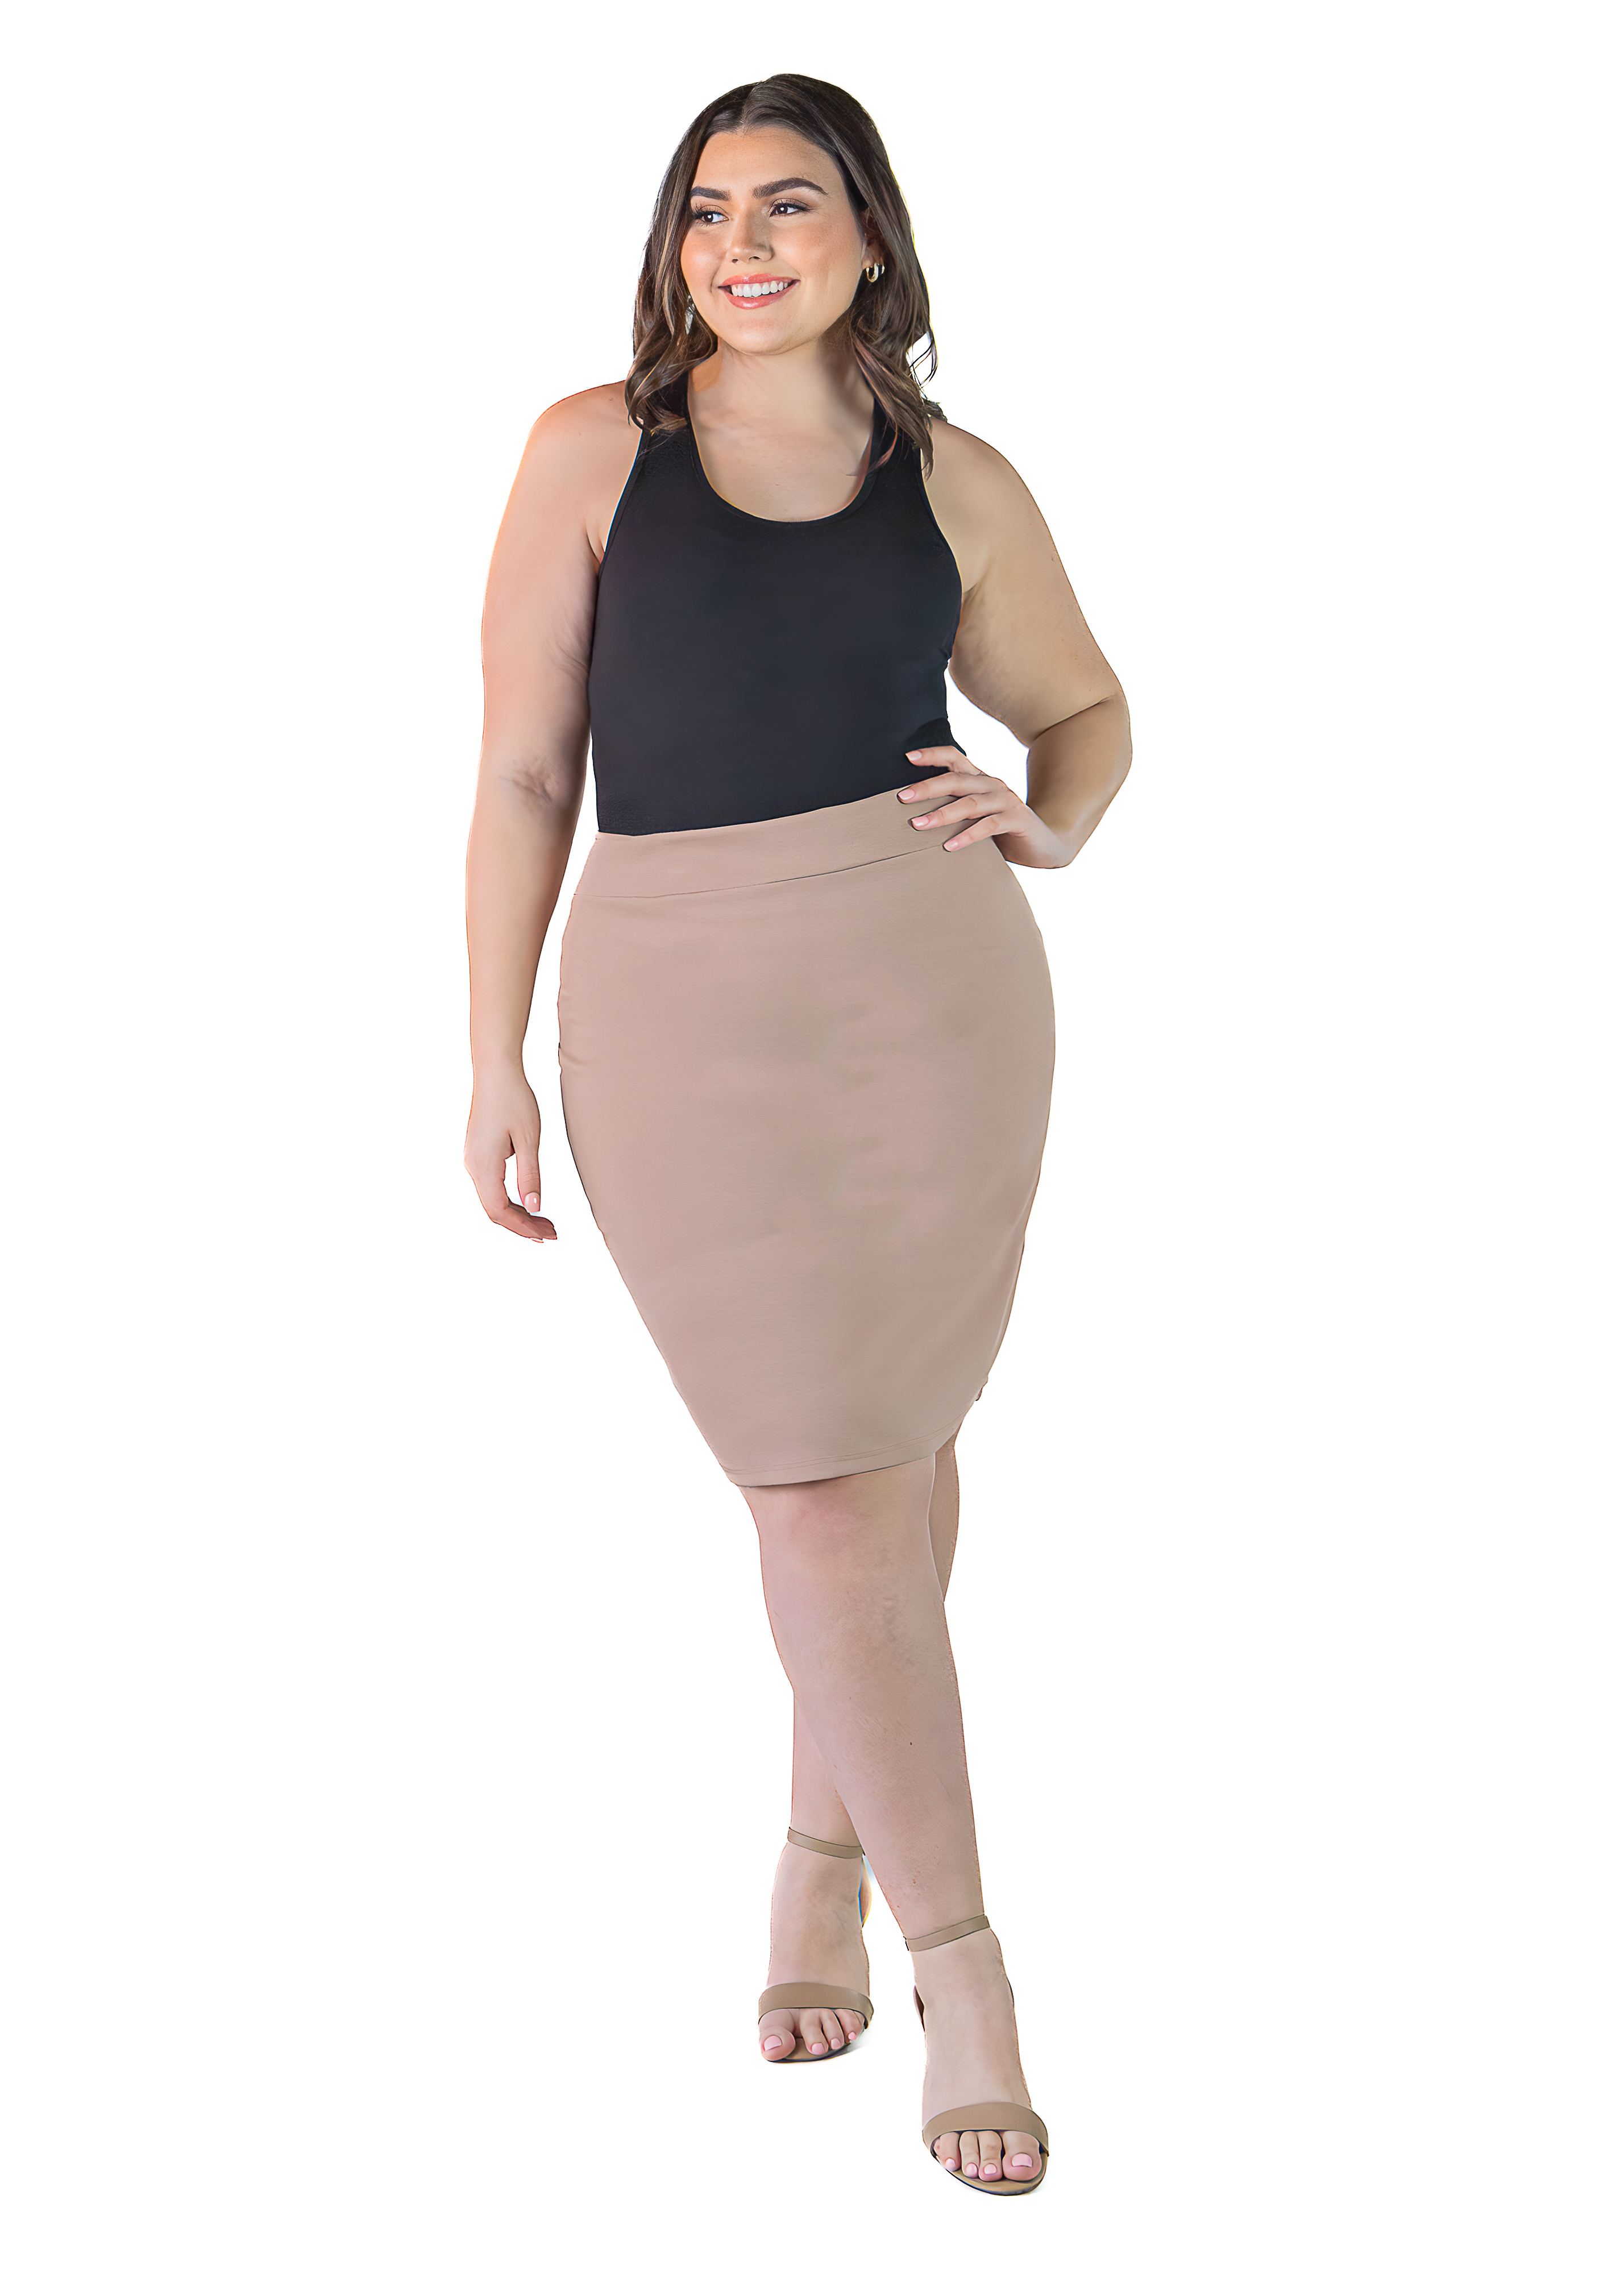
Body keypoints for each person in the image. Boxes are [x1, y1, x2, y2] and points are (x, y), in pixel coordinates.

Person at [464, 73, 1131, 2196]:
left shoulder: (958, 478)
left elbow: (1085, 710)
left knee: (892, 1466)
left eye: (789, 205)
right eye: (707, 210)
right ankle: (967, 1964)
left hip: (931, 1001)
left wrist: (1053, 823)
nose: (742, 245)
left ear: (870, 238)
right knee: (823, 1484)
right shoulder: (592, 451)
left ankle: (836, 1875)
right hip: (677, 1008)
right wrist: (490, 1055)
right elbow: (522, 776)